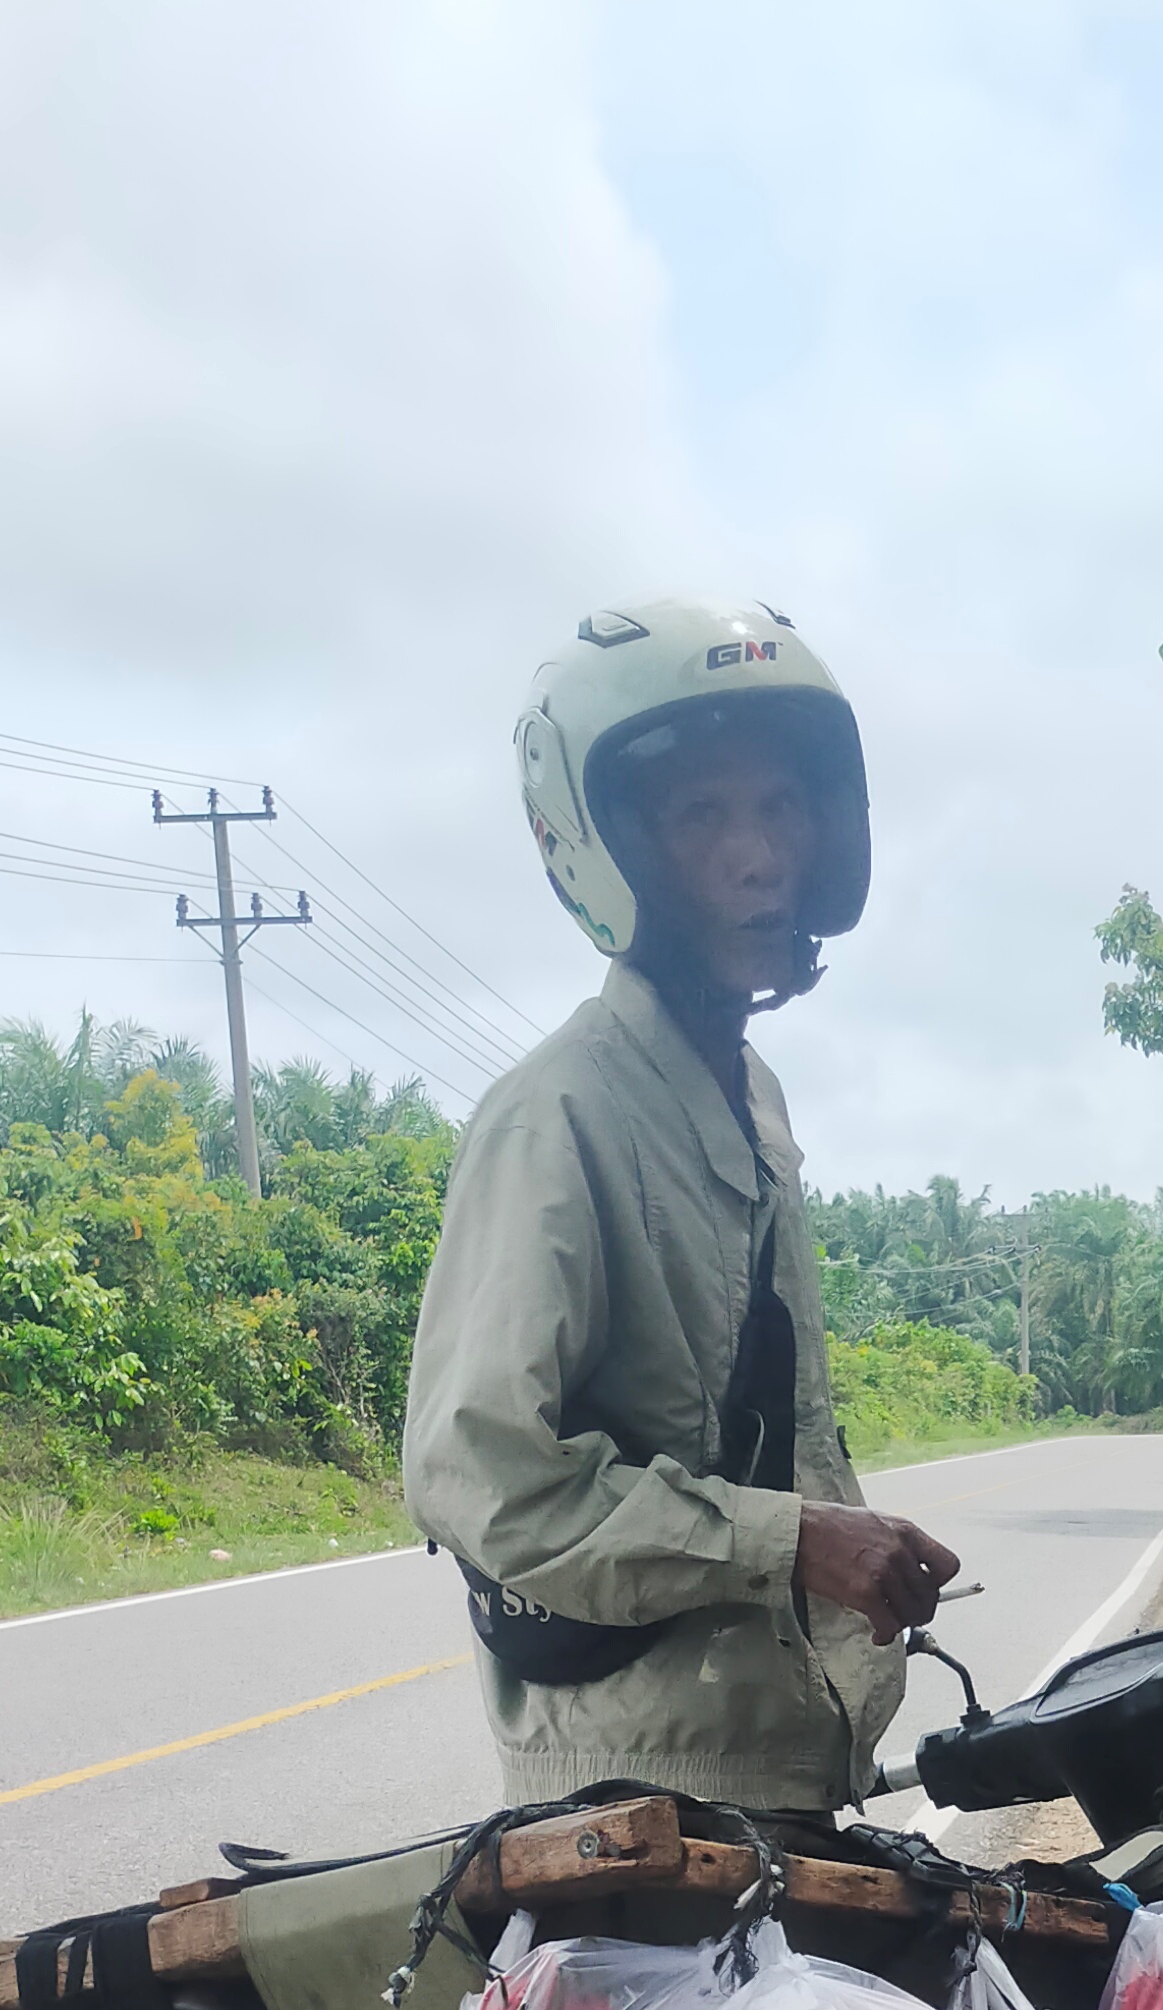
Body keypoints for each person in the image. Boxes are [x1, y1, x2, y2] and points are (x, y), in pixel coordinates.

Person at [403, 593, 957, 1816]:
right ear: (622, 848)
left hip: (788, 1768)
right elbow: (484, 1476)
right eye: (706, 815)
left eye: (780, 807)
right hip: (634, 1810)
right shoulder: (555, 1115)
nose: (759, 854)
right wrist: (789, 1541)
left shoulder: (753, 1098)